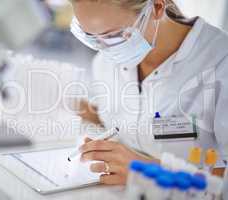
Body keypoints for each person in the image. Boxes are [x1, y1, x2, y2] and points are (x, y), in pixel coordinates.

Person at [69, 0, 228, 185]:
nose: (105, 49)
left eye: (115, 36)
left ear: (157, 7)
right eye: (91, 37)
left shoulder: (221, 62)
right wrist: (72, 105)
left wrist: (150, 172)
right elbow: (130, 119)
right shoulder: (105, 61)